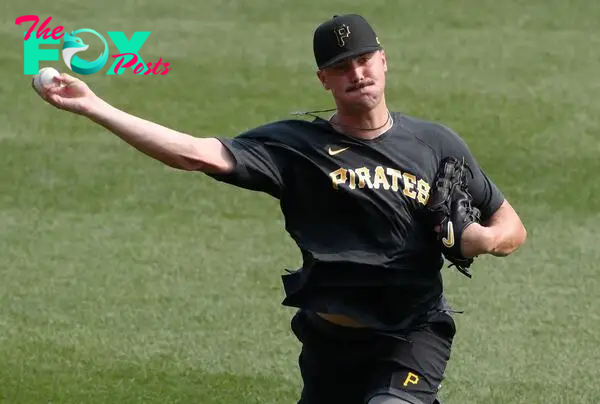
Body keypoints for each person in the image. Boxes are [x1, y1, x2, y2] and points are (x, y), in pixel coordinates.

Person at [34, 13, 527, 404]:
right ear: (323, 79)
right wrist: (97, 107)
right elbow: (194, 153)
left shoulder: (436, 144)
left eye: (363, 60)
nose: (356, 74)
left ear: (383, 61)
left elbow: (510, 225)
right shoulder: (294, 147)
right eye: (340, 67)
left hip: (412, 332)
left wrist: (483, 240)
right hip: (329, 342)